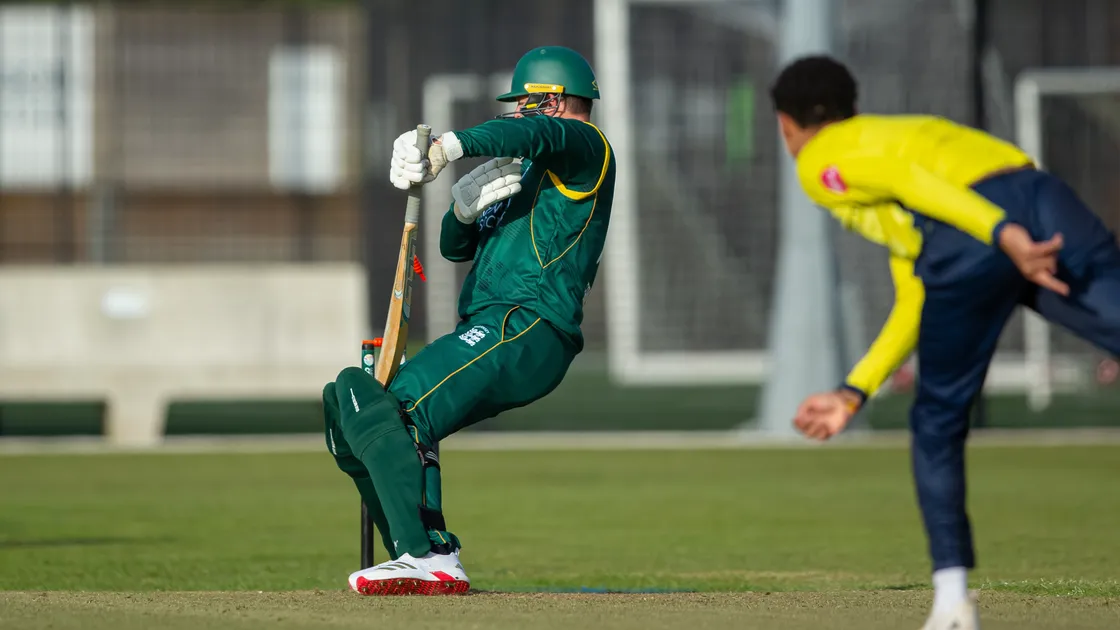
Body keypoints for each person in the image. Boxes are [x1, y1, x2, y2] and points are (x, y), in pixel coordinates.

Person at [769, 55, 1120, 629]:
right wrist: (854, 391)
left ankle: (953, 603)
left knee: (936, 422)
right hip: (1045, 198)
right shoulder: (907, 132)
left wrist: (1000, 233)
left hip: (979, 230)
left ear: (788, 125)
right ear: (852, 106)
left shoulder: (819, 160)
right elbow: (916, 294)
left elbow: (916, 186)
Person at [322, 45, 615, 596]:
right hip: (493, 323)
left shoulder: (585, 147)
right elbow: (457, 250)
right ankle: (428, 553)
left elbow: (537, 135)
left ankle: (422, 555)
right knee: (351, 405)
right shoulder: (530, 170)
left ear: (552, 100)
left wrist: (449, 146)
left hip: (527, 325)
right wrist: (461, 213)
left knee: (398, 407)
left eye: (527, 103)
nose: (520, 112)